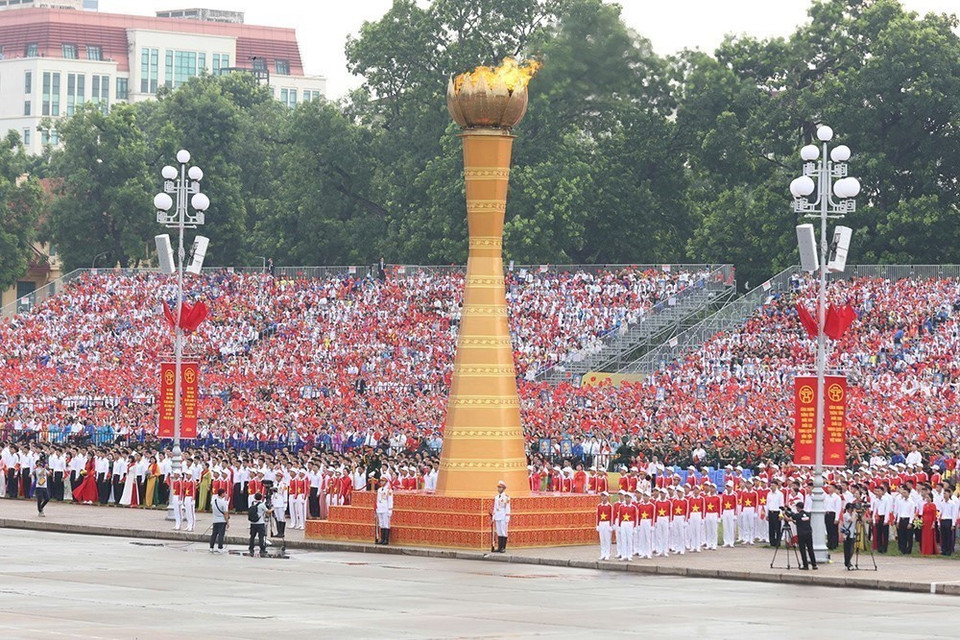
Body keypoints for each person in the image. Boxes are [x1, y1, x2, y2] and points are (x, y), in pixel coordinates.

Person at [786, 501, 818, 570]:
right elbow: (800, 522)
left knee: (802, 550)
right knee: (810, 549)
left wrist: (785, 514)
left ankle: (805, 565)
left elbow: (791, 517)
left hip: (802, 534)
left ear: (798, 508)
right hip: (809, 533)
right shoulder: (807, 514)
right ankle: (814, 564)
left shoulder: (798, 515)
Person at [248, 492, 271, 557]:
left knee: (252, 536)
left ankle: (251, 547)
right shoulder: (262, 505)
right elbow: (268, 511)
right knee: (261, 536)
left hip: (252, 523)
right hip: (260, 523)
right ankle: (262, 548)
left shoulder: (252, 503)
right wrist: (272, 508)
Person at [492, 480, 511, 553]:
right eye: (498, 487)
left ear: (503, 489)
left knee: (504, 532)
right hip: (497, 516)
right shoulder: (496, 497)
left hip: (503, 516)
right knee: (499, 532)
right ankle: (499, 547)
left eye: (500, 487)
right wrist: (493, 516)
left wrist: (507, 517)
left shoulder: (506, 497)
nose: (498, 489)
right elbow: (495, 507)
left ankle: (503, 547)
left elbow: (507, 507)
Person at [209, 488, 230, 553]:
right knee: (221, 534)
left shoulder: (214, 502)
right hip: (222, 520)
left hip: (215, 520)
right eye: (225, 493)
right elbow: (226, 513)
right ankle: (220, 547)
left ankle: (211, 547)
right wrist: (227, 522)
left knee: (214, 534)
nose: (225, 494)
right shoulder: (224, 503)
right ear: (222, 494)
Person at [376, 477, 394, 545]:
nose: (381, 482)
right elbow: (378, 500)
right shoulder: (379, 490)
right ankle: (382, 538)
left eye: (383, 481)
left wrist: (390, 510)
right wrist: (377, 508)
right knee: (381, 524)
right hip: (380, 508)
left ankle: (386, 539)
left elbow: (390, 500)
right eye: (381, 481)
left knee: (386, 524)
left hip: (386, 508)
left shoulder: (389, 490)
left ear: (386, 482)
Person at [596, 491, 613, 561]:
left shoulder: (610, 506)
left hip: (607, 523)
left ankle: (607, 554)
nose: (603, 497)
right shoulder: (599, 506)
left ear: (607, 497)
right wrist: (597, 525)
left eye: (604, 496)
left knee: (607, 539)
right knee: (602, 539)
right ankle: (603, 554)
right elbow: (597, 516)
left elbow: (612, 516)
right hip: (601, 523)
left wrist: (611, 525)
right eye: (602, 496)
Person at [840, 503, 857, 570]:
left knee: (852, 549)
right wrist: (854, 513)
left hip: (853, 533)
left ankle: (848, 561)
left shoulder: (853, 515)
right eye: (850, 508)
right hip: (847, 535)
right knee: (847, 549)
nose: (851, 510)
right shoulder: (845, 515)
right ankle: (847, 562)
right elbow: (851, 520)